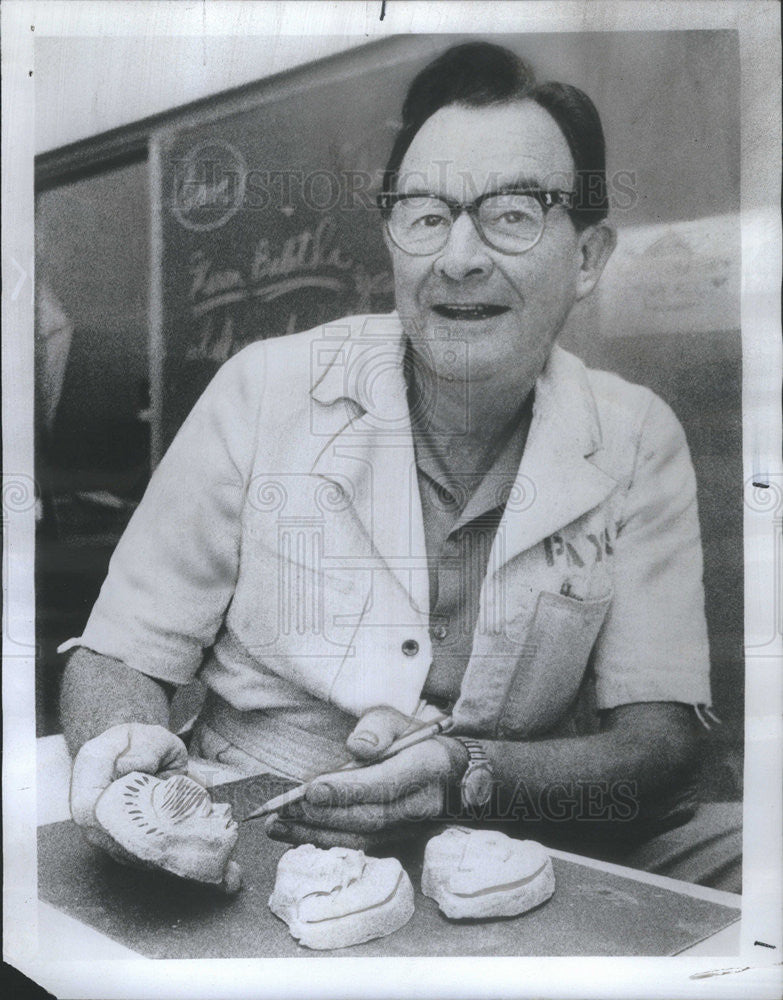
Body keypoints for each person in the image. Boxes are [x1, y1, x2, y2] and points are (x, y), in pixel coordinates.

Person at [60, 42, 740, 890]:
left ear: (589, 258)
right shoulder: (263, 390)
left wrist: (463, 773)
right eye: (424, 214)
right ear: (392, 241)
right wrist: (123, 753)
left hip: (509, 828)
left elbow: (658, 741)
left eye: (514, 214)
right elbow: (120, 656)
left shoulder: (636, 434)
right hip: (260, 811)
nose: (458, 258)